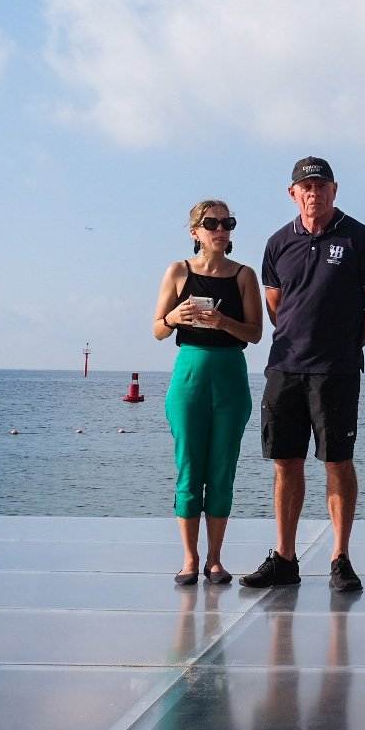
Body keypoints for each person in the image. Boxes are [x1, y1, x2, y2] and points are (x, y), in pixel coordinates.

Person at [239, 157, 365, 592]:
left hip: (336, 372)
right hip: (285, 369)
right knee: (285, 463)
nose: (314, 193)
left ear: (335, 190)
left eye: (322, 186)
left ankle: (340, 558)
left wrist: (349, 345)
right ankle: (285, 559)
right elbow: (276, 304)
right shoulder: (276, 243)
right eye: (306, 187)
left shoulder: (360, 238)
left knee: (337, 462)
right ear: (293, 193)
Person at [153, 199, 261, 586]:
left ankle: (215, 559)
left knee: (222, 469)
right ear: (195, 231)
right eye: (212, 223)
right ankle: (189, 558)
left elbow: (255, 333)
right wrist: (173, 317)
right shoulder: (178, 272)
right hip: (189, 375)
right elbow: (157, 330)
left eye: (227, 223)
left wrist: (223, 321)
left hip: (230, 373)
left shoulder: (244, 276)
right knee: (188, 467)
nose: (220, 230)